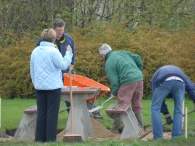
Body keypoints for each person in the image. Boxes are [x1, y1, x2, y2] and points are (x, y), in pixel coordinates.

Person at [30, 28, 73, 142]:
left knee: (42, 112)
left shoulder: (35, 51)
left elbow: (32, 69)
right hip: (53, 86)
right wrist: (69, 54)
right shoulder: (54, 51)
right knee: (52, 113)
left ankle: (39, 139)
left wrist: (35, 82)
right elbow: (63, 65)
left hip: (39, 86)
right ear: (53, 39)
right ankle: (50, 139)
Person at [98, 43, 144, 133]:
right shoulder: (123, 53)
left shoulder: (109, 62)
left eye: (101, 56)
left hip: (127, 81)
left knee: (122, 106)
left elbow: (115, 81)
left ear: (103, 55)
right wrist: (138, 70)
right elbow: (137, 57)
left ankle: (115, 130)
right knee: (137, 104)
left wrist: (114, 93)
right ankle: (140, 128)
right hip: (139, 79)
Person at [36, 19, 75, 113]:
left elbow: (73, 52)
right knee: (51, 100)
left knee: (70, 96)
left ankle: (71, 115)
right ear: (53, 29)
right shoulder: (43, 41)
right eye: (58, 30)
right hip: (50, 74)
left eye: (62, 30)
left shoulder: (69, 39)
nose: (60, 32)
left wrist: (72, 65)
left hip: (66, 72)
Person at [150, 65, 195, 139]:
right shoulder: (182, 73)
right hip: (180, 82)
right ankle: (176, 136)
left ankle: (158, 137)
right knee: (178, 110)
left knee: (155, 107)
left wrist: (166, 114)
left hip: (164, 81)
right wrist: (167, 115)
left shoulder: (153, 80)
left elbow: (159, 101)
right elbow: (191, 87)